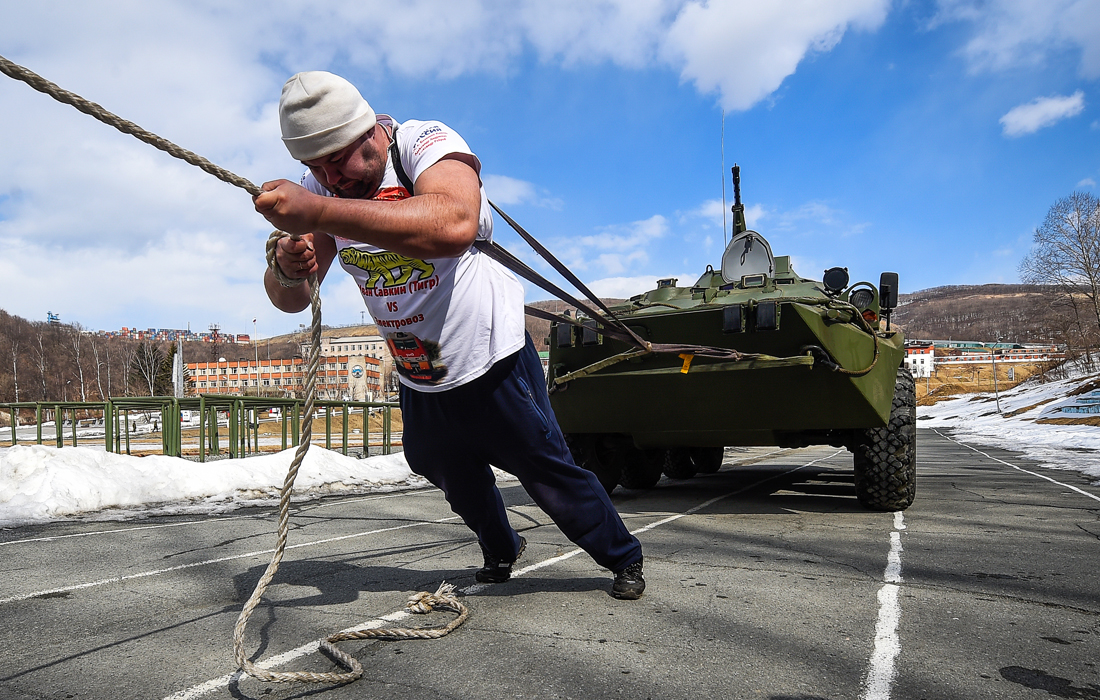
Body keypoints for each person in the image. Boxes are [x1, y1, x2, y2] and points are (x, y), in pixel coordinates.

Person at [255, 71, 645, 599]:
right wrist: (285, 263)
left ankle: (622, 557)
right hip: (421, 369)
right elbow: (292, 299)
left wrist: (319, 211)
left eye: (338, 159)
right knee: (443, 466)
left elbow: (454, 222)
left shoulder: (425, 143)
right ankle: (502, 548)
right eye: (314, 168)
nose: (331, 177)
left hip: (492, 354)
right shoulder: (323, 191)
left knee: (543, 466)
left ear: (369, 131)